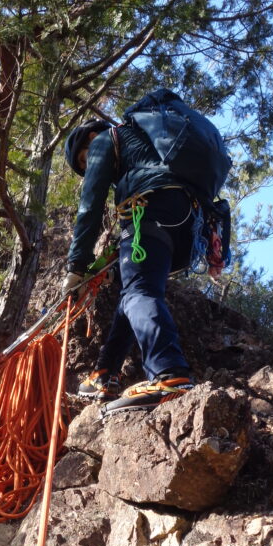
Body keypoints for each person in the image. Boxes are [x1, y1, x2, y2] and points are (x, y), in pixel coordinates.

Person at [62, 88, 223, 412]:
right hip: (187, 225)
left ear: (90, 136)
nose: (88, 164)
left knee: (138, 292)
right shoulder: (149, 143)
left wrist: (76, 266)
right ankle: (104, 373)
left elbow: (90, 206)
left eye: (84, 159)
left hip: (147, 211)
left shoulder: (106, 138)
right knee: (134, 290)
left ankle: (169, 372)